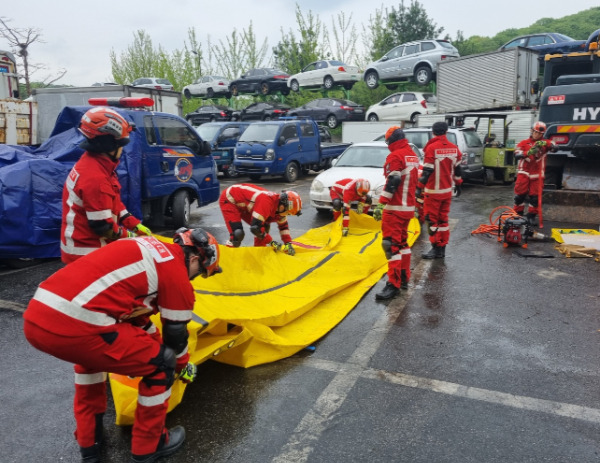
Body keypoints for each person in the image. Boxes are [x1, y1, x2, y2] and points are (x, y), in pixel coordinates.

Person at [23, 228, 222, 463]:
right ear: (196, 258)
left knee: (91, 363)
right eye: (200, 272)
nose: (196, 278)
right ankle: (150, 445)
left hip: (39, 314)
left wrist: (154, 344)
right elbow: (176, 334)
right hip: (79, 323)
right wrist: (181, 365)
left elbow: (136, 318)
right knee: (162, 365)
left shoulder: (149, 249)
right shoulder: (176, 272)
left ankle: (90, 444)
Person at [61, 106, 152, 264]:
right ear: (109, 145)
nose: (122, 149)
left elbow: (113, 202)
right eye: (121, 144)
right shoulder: (95, 177)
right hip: (86, 253)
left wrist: (134, 224)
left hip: (88, 247)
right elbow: (103, 227)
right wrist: (132, 237)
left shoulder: (98, 164)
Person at [372, 126, 420, 300]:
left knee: (390, 246)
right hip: (407, 208)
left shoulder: (396, 155)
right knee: (402, 245)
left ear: (391, 141)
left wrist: (381, 203)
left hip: (395, 209)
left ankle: (393, 284)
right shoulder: (412, 155)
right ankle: (404, 278)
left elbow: (394, 179)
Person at [416, 121, 463, 259]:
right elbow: (458, 169)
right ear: (446, 132)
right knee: (443, 221)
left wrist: (419, 188)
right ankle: (442, 248)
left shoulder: (431, 148)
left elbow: (427, 171)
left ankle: (435, 248)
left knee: (431, 220)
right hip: (447, 191)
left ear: (433, 132)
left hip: (433, 192)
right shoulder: (454, 148)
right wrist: (458, 184)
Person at [219, 183, 302, 255]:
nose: (286, 215)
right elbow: (256, 228)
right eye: (287, 212)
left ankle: (259, 252)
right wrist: (272, 242)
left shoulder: (280, 208)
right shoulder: (267, 202)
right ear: (282, 204)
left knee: (264, 227)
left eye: (289, 214)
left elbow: (283, 226)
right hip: (230, 198)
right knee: (237, 234)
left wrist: (288, 243)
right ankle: (229, 257)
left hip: (245, 204)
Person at [513, 121, 557, 225]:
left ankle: (531, 216)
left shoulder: (545, 143)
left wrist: (545, 143)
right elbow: (516, 154)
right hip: (524, 172)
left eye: (540, 134)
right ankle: (518, 214)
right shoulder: (524, 143)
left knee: (535, 197)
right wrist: (527, 153)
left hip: (537, 174)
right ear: (531, 131)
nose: (537, 135)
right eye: (536, 132)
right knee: (520, 195)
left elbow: (555, 147)